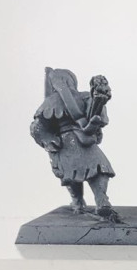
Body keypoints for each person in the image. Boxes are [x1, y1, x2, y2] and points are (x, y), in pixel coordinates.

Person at [30, 67, 117, 219]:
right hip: (84, 141)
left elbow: (38, 126)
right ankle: (100, 199)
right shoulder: (85, 96)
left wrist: (49, 140)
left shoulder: (51, 101)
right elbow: (99, 120)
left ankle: (79, 202)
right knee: (98, 171)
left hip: (66, 143)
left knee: (72, 175)